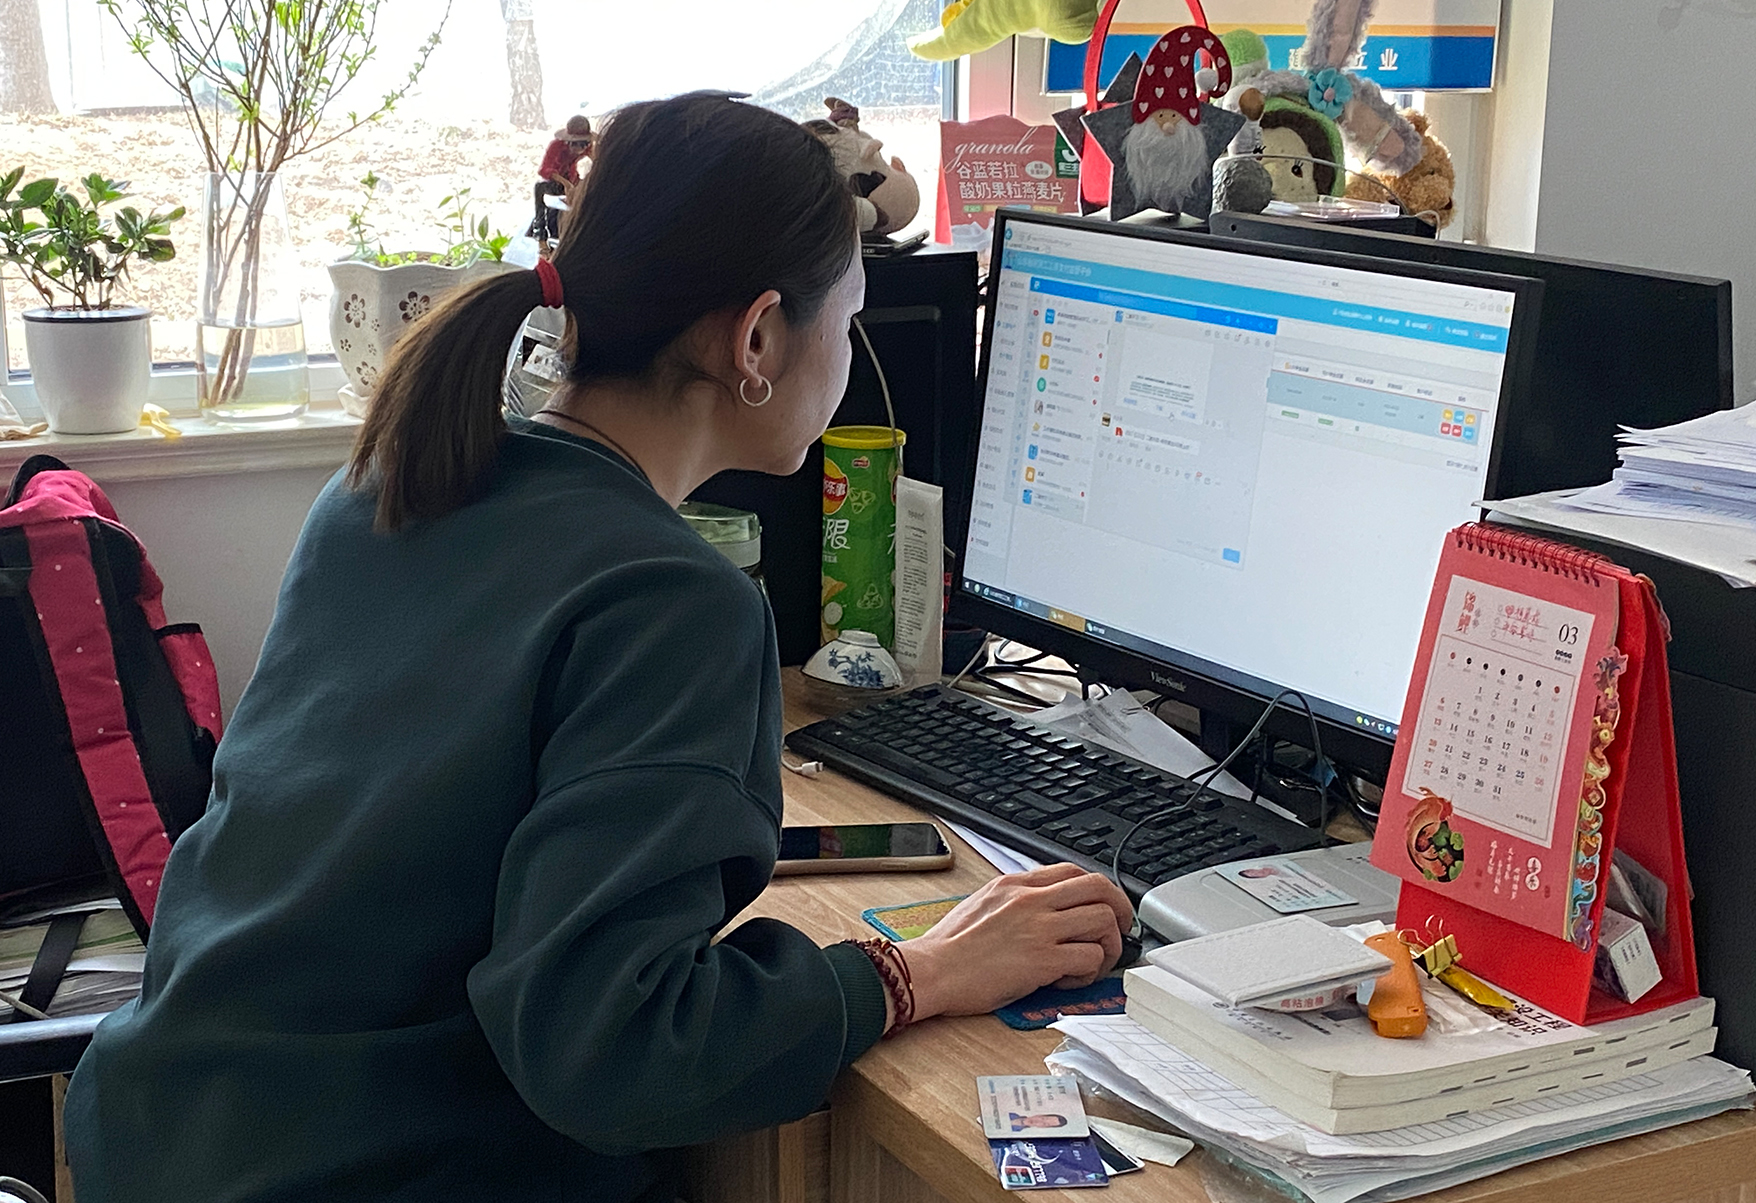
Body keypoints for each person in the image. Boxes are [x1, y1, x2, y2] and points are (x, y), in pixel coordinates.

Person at [63, 91, 1133, 1203]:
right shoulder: (669, 601)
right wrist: (917, 972)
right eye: (848, 318)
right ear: (757, 338)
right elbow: (621, 1054)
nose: (851, 357)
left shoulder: (391, 482)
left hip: (161, 1133)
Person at [531, 113, 594, 243]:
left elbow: (597, 161)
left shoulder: (588, 148)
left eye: (583, 145)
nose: (578, 149)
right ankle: (540, 232)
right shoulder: (556, 146)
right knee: (539, 187)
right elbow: (544, 169)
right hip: (556, 181)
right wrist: (565, 183)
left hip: (574, 181)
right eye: (575, 144)